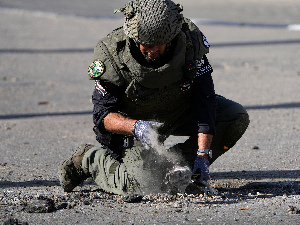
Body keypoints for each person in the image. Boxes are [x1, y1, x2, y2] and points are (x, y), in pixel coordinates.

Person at [59, 0, 249, 196]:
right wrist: (135, 127)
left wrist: (203, 154)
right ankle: (89, 158)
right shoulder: (111, 54)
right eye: (146, 43)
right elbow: (102, 115)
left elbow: (205, 100)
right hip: (134, 127)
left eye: (159, 43)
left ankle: (178, 169)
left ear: (173, 35)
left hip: (178, 111)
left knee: (235, 117)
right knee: (144, 186)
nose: (152, 49)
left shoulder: (190, 43)